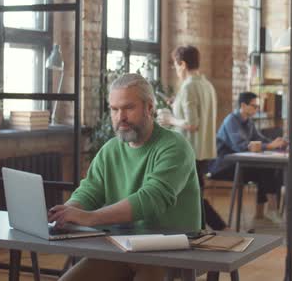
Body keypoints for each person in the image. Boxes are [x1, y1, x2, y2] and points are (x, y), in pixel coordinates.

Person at [48, 73, 201, 281]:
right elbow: (90, 191)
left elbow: (151, 199)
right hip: (121, 247)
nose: (121, 117)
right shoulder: (110, 149)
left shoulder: (175, 147)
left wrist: (90, 217)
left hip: (170, 253)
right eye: (114, 109)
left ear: (149, 108)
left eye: (129, 107)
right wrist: (68, 212)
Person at [157, 45, 227, 230]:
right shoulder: (207, 85)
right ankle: (209, 228)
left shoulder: (188, 87)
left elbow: (192, 124)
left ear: (183, 64)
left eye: (175, 65)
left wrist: (169, 119)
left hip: (189, 150)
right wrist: (176, 103)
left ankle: (217, 226)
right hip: (204, 149)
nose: (176, 70)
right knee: (194, 193)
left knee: (189, 195)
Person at [209, 91, 287, 225]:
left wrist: (277, 143)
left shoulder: (249, 122)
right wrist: (269, 145)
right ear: (243, 105)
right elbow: (240, 146)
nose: (257, 109)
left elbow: (260, 139)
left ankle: (261, 214)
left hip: (239, 164)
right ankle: (270, 211)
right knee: (264, 170)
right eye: (254, 106)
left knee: (267, 169)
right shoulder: (231, 120)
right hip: (223, 165)